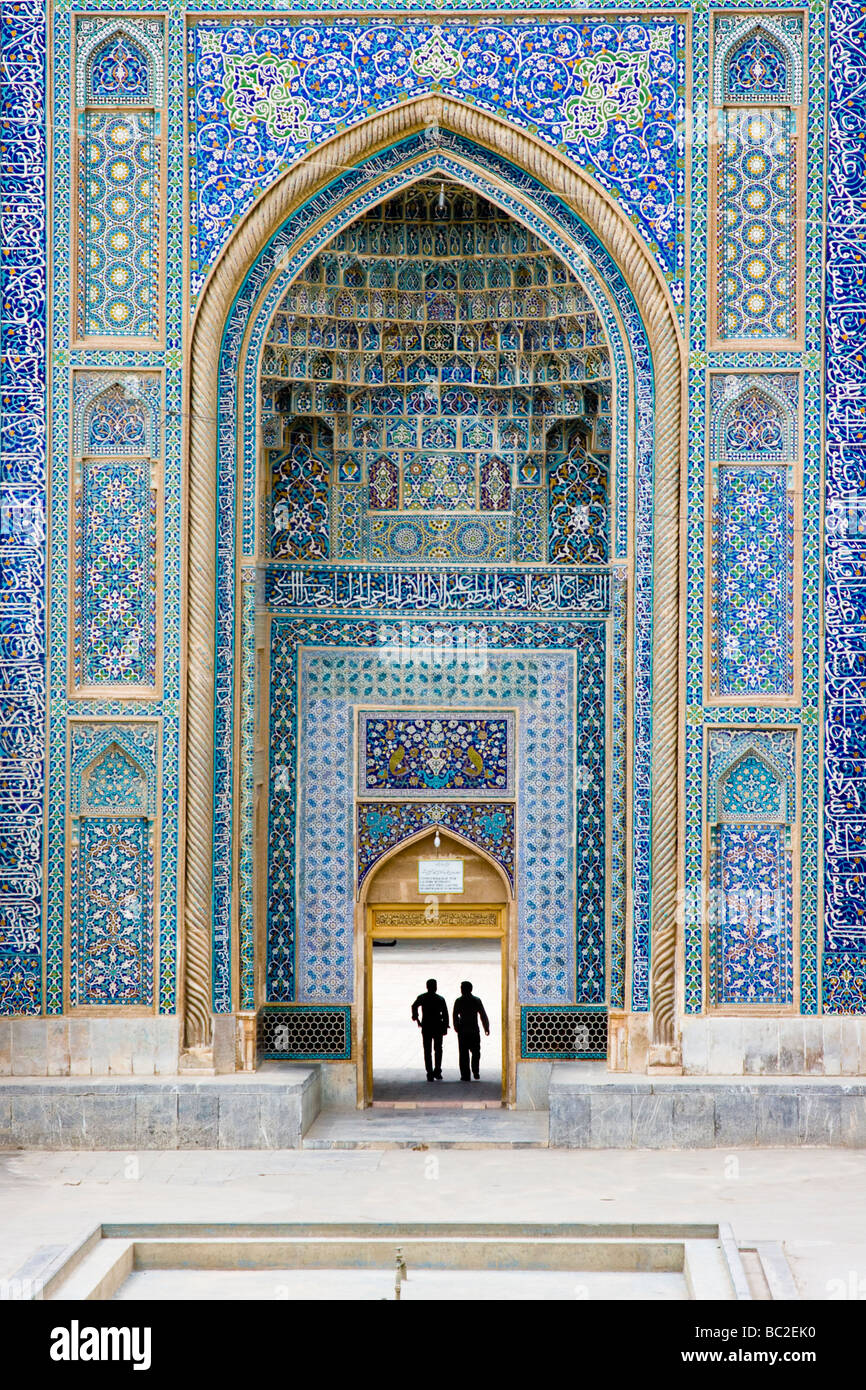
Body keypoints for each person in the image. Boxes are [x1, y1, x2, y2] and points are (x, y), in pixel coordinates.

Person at [411, 978, 450, 1082]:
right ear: (436, 987)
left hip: (427, 1026)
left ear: (427, 987)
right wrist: (445, 1026)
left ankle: (429, 1073)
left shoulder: (422, 997)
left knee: (427, 1050)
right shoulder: (440, 999)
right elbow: (445, 1014)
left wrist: (416, 1018)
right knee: (438, 1049)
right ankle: (437, 1071)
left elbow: (414, 1006)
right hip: (437, 1026)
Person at [452, 980, 490, 1081]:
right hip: (474, 1030)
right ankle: (475, 1070)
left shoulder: (459, 1001)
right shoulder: (476, 1000)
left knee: (464, 1053)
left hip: (463, 1031)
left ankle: (465, 1074)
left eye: (462, 988)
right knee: (476, 1052)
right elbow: (483, 1015)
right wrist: (486, 1027)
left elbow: (455, 1015)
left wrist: (456, 1026)